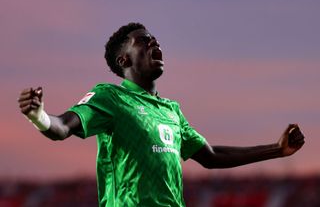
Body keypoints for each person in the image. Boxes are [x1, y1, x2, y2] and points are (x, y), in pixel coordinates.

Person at [18, 22, 305, 207]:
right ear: (124, 59)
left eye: (156, 39)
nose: (155, 43)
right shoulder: (111, 97)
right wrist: (39, 116)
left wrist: (277, 150)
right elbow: (63, 128)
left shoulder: (172, 110)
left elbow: (212, 156)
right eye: (144, 41)